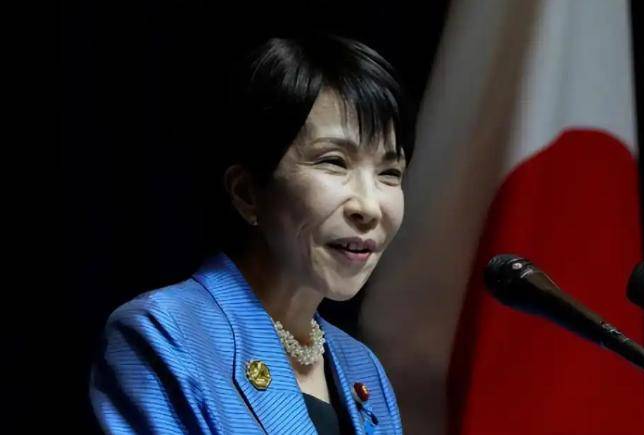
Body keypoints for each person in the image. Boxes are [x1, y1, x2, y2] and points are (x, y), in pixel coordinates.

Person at [89, 33, 415, 434]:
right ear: (247, 192)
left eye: (389, 173)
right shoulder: (164, 334)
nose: (369, 207)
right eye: (334, 161)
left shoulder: (363, 367)